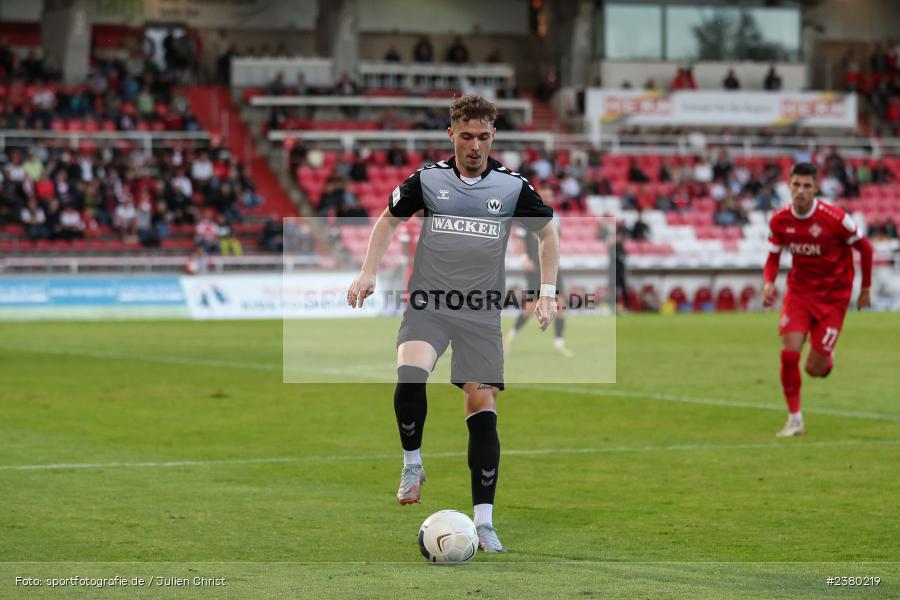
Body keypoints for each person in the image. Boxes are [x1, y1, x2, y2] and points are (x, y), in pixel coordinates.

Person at [346, 95, 558, 553]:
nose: (475, 145)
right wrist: (368, 270)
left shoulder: (512, 187)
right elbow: (387, 220)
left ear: (493, 136)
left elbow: (547, 233)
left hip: (480, 313)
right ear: (451, 134)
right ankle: (412, 462)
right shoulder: (429, 179)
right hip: (429, 303)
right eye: (466, 136)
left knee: (481, 410)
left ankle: (483, 524)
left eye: (483, 137)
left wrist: (548, 292)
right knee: (409, 378)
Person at [762, 163, 873, 437]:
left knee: (814, 369)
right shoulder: (779, 220)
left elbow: (866, 249)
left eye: (806, 186)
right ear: (789, 185)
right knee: (789, 355)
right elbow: (773, 256)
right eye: (796, 185)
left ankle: (826, 355)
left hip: (834, 297)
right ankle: (795, 419)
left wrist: (866, 289)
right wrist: (768, 282)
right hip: (799, 293)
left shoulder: (834, 219)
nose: (800, 191)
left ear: (816, 188)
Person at [503, 219, 573, 357]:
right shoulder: (527, 215)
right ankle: (509, 338)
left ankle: (559, 345)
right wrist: (524, 259)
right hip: (536, 269)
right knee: (530, 308)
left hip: (552, 268)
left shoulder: (553, 217)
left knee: (560, 304)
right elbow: (518, 239)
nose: (551, 196)